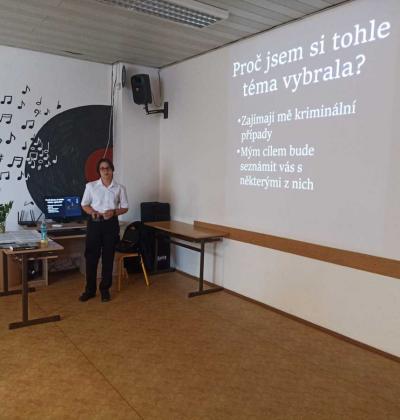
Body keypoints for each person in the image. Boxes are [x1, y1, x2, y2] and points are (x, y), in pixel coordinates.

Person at [79, 158, 128, 302]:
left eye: (108, 168)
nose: (105, 171)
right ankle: (90, 290)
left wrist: (114, 212)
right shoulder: (91, 186)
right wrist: (92, 212)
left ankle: (105, 289)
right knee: (91, 257)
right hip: (95, 223)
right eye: (102, 168)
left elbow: (125, 207)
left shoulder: (120, 188)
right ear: (99, 171)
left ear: (112, 170)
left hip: (111, 224)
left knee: (108, 257)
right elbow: (84, 204)